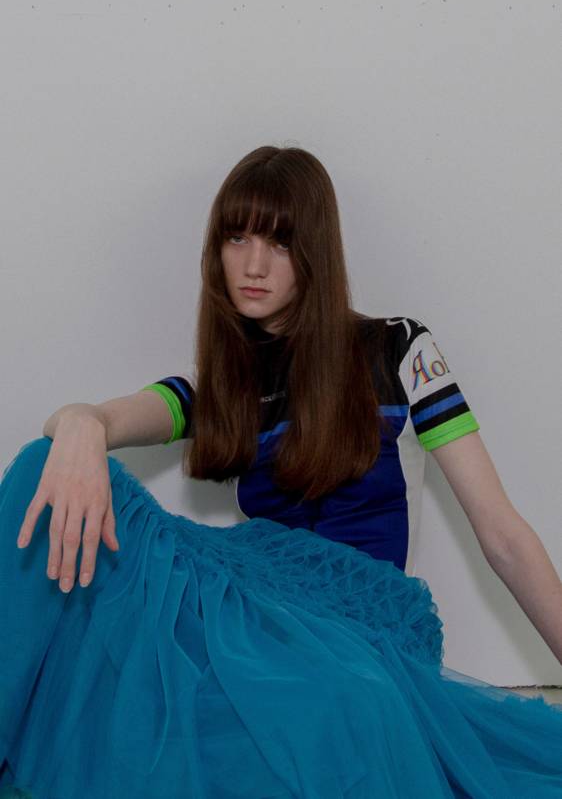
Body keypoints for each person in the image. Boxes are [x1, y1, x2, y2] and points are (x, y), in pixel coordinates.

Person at [1, 145, 561, 799]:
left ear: (315, 250)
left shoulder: (399, 349)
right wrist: (82, 423)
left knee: (339, 709)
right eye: (236, 238)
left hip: (359, 632)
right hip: (253, 621)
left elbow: (503, 536)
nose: (254, 265)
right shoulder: (223, 384)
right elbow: (112, 415)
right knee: (45, 461)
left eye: (280, 242)